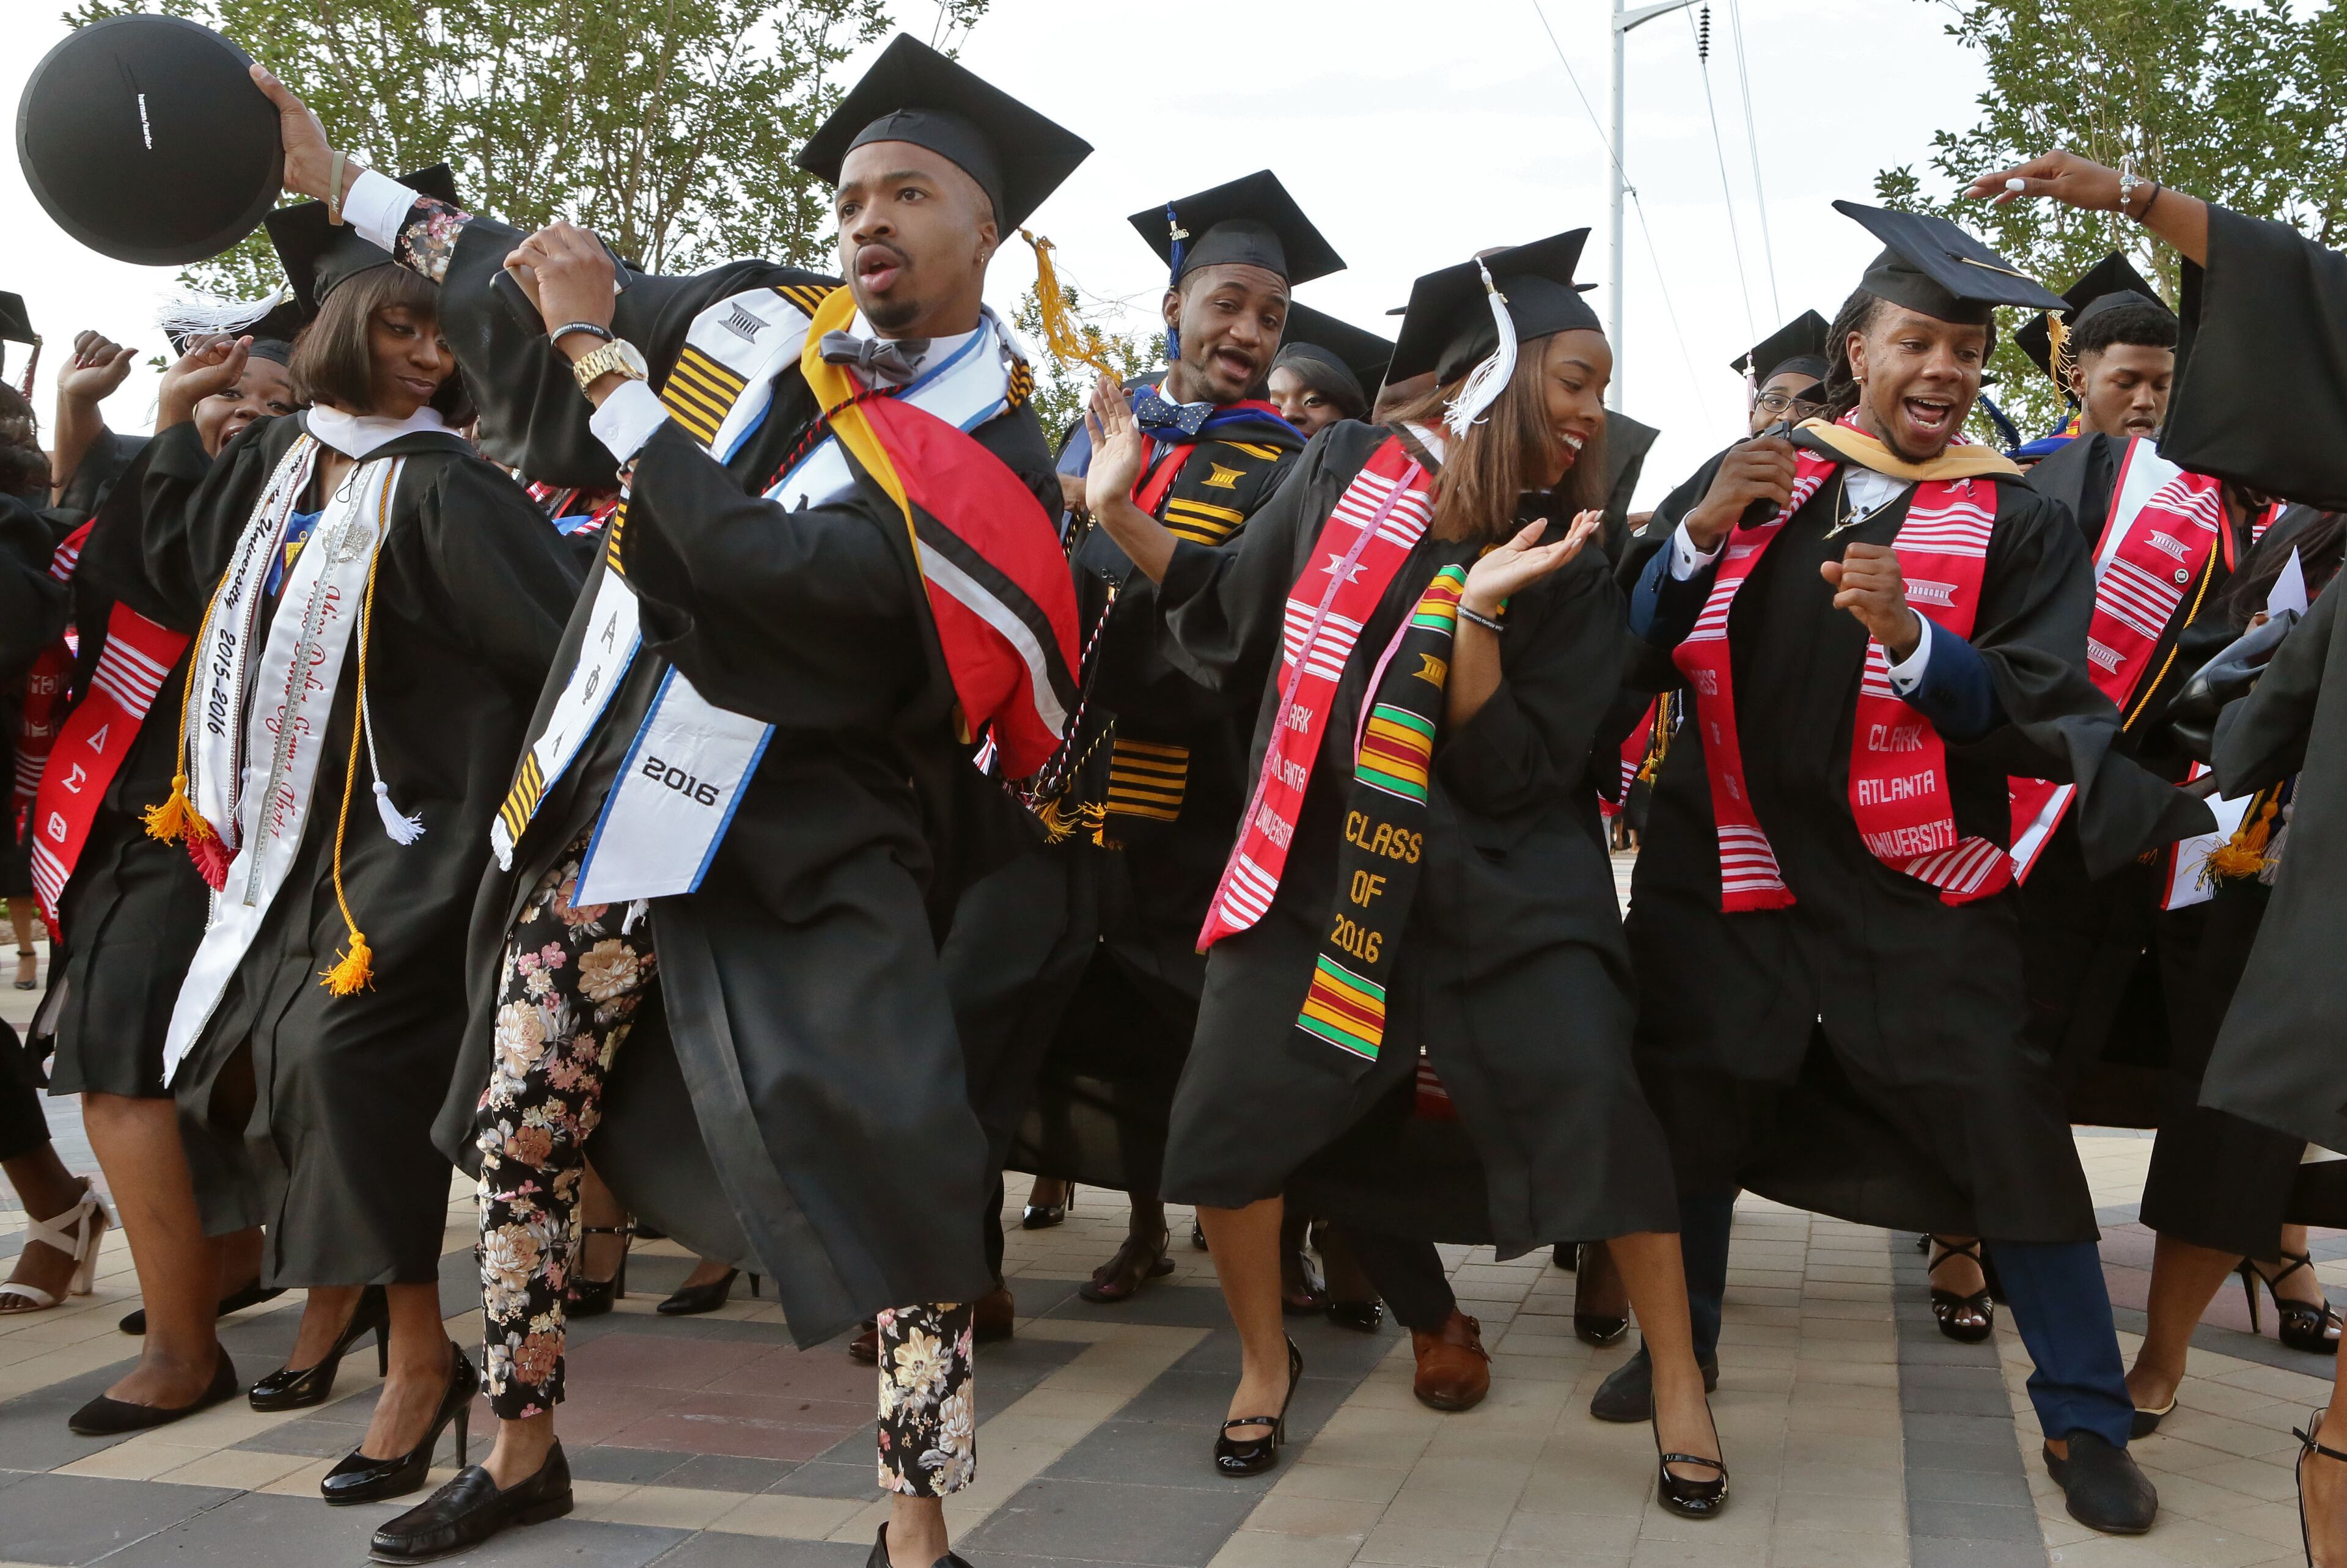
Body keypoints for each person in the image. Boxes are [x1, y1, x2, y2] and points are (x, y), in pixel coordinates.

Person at [252, 34, 1089, 1567]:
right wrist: (339, 184)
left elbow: (790, 585)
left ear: (987, 232)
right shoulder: (769, 319)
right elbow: (535, 269)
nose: (867, 221)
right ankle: (518, 1449)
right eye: (851, 194)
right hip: (613, 800)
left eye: (910, 193)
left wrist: (598, 371)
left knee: (906, 1162)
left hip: (809, 839)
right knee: (521, 1128)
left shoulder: (992, 454)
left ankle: (915, 1523)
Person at [1081, 227, 1728, 1512]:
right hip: (1317, 878)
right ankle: (1265, 1362)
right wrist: (1113, 509)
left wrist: (1480, 608)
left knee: (1596, 1099)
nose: (1594, 412)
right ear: (1494, 378)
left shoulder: (1574, 546)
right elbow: (1227, 609)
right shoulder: (1342, 467)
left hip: (1505, 880)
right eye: (1577, 379)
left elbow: (1525, 767)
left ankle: (1680, 1380)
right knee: (1227, 1117)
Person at [1614, 200, 2214, 1536]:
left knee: (2006, 1123)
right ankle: (1678, 1356)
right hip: (1735, 859)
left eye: (1966, 348)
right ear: (1856, 351)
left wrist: (1914, 639)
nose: (1946, 368)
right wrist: (1698, 534)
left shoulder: (2016, 519)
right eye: (1918, 342)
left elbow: (2040, 706)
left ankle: (2084, 1416)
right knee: (1695, 1103)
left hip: (1917, 872)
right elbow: (1637, 646)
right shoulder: (1757, 474)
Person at [70, 166, 581, 1519]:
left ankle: (418, 1361)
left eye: (441, 332)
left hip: (420, 841)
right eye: (403, 328)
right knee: (277, 1063)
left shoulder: (452, 491)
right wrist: (175, 426)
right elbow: (170, 567)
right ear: (335, 327)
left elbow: (561, 651)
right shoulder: (278, 465)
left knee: (343, 1059)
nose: (430, 353)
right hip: (293, 843)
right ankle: (404, 1344)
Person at [1969, 145, 2347, 1562]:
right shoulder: (2139, 494)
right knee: (2185, 1089)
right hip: (2218, 841)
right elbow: (2309, 296)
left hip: (2229, 836)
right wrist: (2130, 200)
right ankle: (2206, 1378)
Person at [944, 170, 1332, 1325]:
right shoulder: (1100, 428)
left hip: (1189, 815)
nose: (1249, 334)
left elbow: (1251, 636)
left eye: (1270, 315)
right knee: (975, 1018)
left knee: (1231, 1046)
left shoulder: (1284, 466)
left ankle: (1299, 1250)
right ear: (1174, 305)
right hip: (1044, 800)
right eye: (1228, 304)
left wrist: (1116, 521)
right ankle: (960, 1269)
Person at [2011, 254, 2176, 460]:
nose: (2146, 401)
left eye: (2162, 386)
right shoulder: (2031, 474)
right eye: (2126, 382)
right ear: (2079, 381)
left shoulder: (2192, 479)